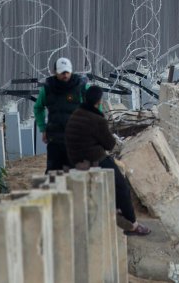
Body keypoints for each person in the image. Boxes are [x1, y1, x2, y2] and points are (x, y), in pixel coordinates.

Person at [64, 85, 151, 235]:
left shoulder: (76, 114)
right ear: (98, 102)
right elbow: (110, 145)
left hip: (74, 160)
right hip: (93, 159)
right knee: (122, 187)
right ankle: (133, 225)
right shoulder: (97, 119)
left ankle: (117, 209)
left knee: (114, 177)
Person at [34, 57, 88, 172]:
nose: (65, 75)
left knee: (76, 173)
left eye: (67, 72)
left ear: (71, 71)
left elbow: (96, 105)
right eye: (62, 72)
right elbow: (38, 108)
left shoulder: (81, 86)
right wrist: (43, 128)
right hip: (55, 138)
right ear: (55, 72)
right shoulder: (48, 88)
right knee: (53, 173)